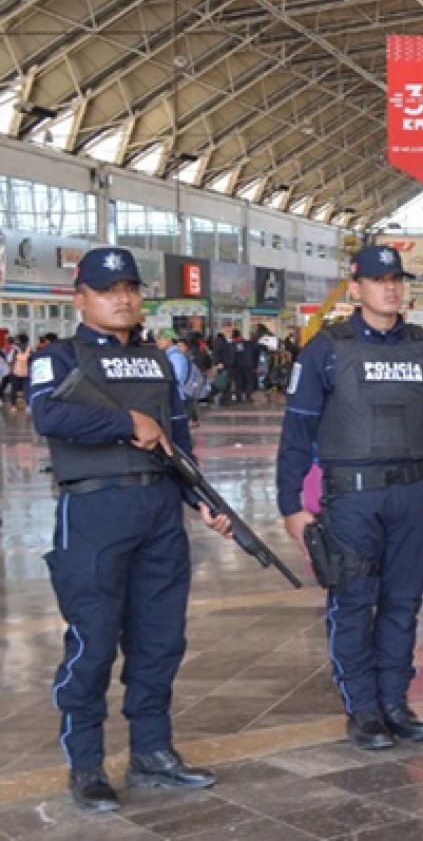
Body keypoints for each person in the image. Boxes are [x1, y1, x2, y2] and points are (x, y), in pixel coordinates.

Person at [27, 247, 233, 812]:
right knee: (93, 642)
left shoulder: (156, 361)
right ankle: (86, 764)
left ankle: (152, 752)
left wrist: (201, 499)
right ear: (80, 299)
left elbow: (177, 443)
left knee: (160, 641)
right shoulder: (57, 358)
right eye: (106, 290)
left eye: (130, 289)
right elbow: (49, 415)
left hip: (160, 510)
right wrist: (125, 423)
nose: (121, 299)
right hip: (94, 512)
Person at [276, 245, 423, 750]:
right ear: (356, 289)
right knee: (354, 603)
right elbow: (297, 431)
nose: (390, 288)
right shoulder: (326, 349)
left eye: (396, 279)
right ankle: (362, 709)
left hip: (414, 494)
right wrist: (290, 503)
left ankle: (395, 702)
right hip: (352, 498)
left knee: (403, 602)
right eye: (379, 280)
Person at [155, 329, 200, 427]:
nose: (157, 342)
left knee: (175, 427)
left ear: (169, 340)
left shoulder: (175, 356)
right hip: (174, 396)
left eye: (160, 339)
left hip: (177, 397)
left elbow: (177, 376)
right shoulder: (169, 355)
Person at [6, 333, 31, 411]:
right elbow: (10, 361)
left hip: (24, 374)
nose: (17, 342)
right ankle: (14, 405)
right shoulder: (16, 350)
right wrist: (11, 370)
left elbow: (32, 362)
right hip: (18, 374)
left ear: (22, 341)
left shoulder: (29, 350)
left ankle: (27, 405)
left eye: (18, 340)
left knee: (26, 390)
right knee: (16, 390)